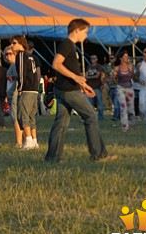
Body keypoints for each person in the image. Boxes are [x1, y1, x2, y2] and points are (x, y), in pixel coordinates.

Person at [44, 18, 117, 163]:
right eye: (85, 31)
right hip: (69, 91)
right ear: (76, 30)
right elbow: (56, 64)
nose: (86, 35)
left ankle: (52, 157)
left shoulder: (70, 46)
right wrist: (76, 79)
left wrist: (83, 84)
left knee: (61, 123)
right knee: (90, 117)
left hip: (65, 89)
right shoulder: (67, 44)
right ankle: (98, 154)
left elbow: (70, 71)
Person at [10, 36, 40, 150]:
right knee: (31, 115)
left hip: (26, 88)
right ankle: (34, 140)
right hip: (34, 89)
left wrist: (20, 88)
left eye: (14, 43)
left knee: (23, 115)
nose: (12, 46)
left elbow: (22, 73)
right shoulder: (31, 56)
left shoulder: (21, 55)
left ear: (21, 44)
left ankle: (28, 140)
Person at [114, 52, 135, 132]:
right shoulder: (117, 68)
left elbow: (133, 76)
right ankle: (125, 126)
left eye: (127, 56)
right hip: (120, 88)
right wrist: (114, 76)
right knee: (123, 107)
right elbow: (114, 80)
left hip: (129, 88)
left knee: (130, 108)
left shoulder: (130, 67)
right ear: (121, 58)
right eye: (125, 56)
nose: (127, 58)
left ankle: (132, 124)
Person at [85, 55, 105, 120]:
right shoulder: (89, 66)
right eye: (91, 58)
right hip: (90, 87)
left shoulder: (99, 67)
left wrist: (89, 77)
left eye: (94, 58)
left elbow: (97, 76)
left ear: (97, 59)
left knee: (99, 102)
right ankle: (91, 116)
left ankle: (101, 116)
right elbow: (86, 75)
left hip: (97, 86)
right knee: (89, 103)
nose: (92, 60)